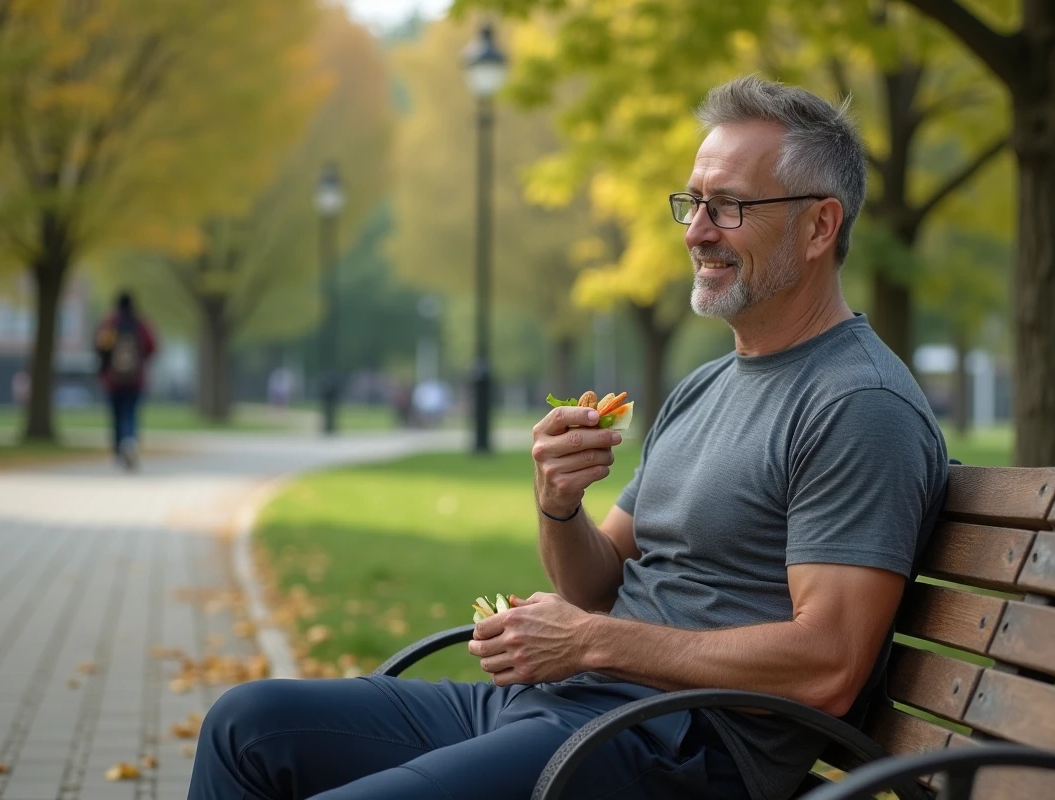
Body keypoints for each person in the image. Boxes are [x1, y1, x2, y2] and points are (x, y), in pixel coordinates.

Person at [187, 77, 948, 800]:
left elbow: (829, 666)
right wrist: (557, 505)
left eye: (729, 207)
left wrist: (591, 643)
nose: (696, 231)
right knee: (246, 726)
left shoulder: (857, 404)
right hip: (573, 708)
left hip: (677, 747)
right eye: (691, 203)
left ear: (820, 225)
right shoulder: (710, 385)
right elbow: (602, 581)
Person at [94, 291, 156, 470]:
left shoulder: (109, 323)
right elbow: (152, 346)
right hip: (136, 379)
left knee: (115, 415)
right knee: (131, 413)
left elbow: (100, 347)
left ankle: (118, 451)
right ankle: (130, 441)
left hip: (113, 380)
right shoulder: (141, 324)